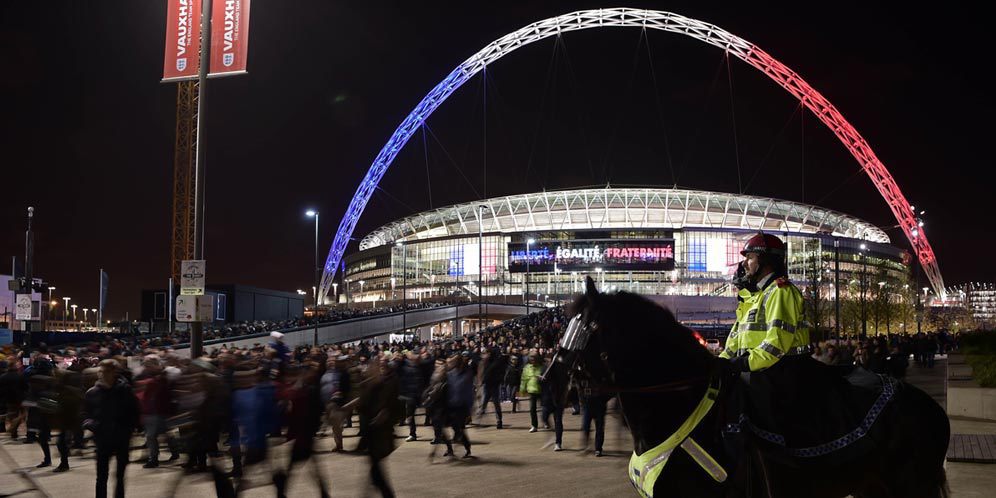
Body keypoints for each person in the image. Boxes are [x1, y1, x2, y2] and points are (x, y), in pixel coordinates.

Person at [720, 233, 810, 373]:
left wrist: (743, 364)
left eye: (750, 257)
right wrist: (720, 362)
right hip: (758, 373)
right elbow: (735, 342)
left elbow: (777, 342)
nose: (744, 263)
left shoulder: (780, 291)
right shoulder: (757, 296)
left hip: (780, 377)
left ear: (765, 260)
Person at [85, 359, 139, 498]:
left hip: (122, 439)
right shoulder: (92, 393)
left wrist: (129, 429)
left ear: (114, 372)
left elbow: (135, 412)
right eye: (101, 371)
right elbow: (85, 414)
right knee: (101, 477)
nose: (103, 374)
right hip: (102, 440)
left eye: (106, 371)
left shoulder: (125, 390)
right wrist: (93, 426)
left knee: (120, 476)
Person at [520, 353, 543, 432]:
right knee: (532, 409)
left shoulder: (541, 367)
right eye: (531, 359)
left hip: (541, 390)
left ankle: (546, 422)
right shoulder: (527, 368)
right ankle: (534, 425)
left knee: (545, 408)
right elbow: (524, 379)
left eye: (534, 359)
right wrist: (522, 390)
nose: (533, 361)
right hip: (531, 390)